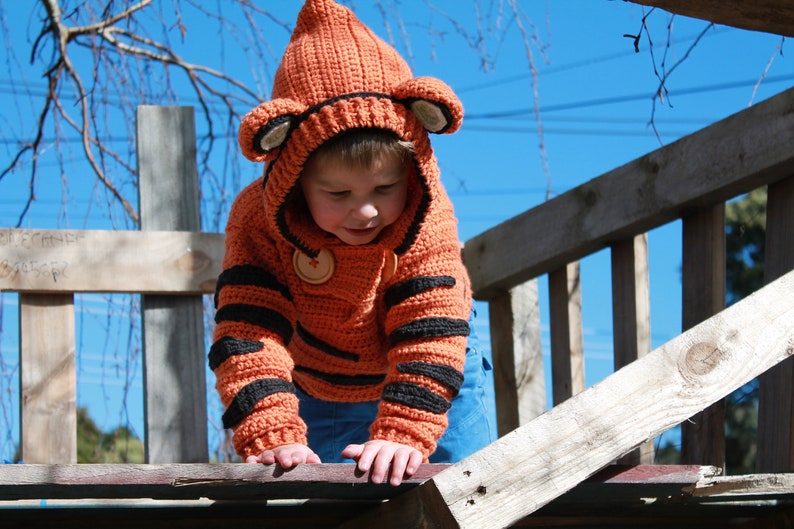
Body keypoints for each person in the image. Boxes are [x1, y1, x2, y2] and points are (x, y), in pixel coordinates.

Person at [209, 0, 494, 487]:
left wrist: (405, 429)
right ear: (294, 179)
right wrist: (273, 427)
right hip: (316, 384)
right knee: (313, 494)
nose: (365, 211)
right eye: (338, 194)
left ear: (410, 170)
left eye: (384, 188)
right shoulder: (258, 220)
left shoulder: (427, 214)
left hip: (435, 376)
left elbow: (432, 323)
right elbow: (248, 329)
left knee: (466, 491)